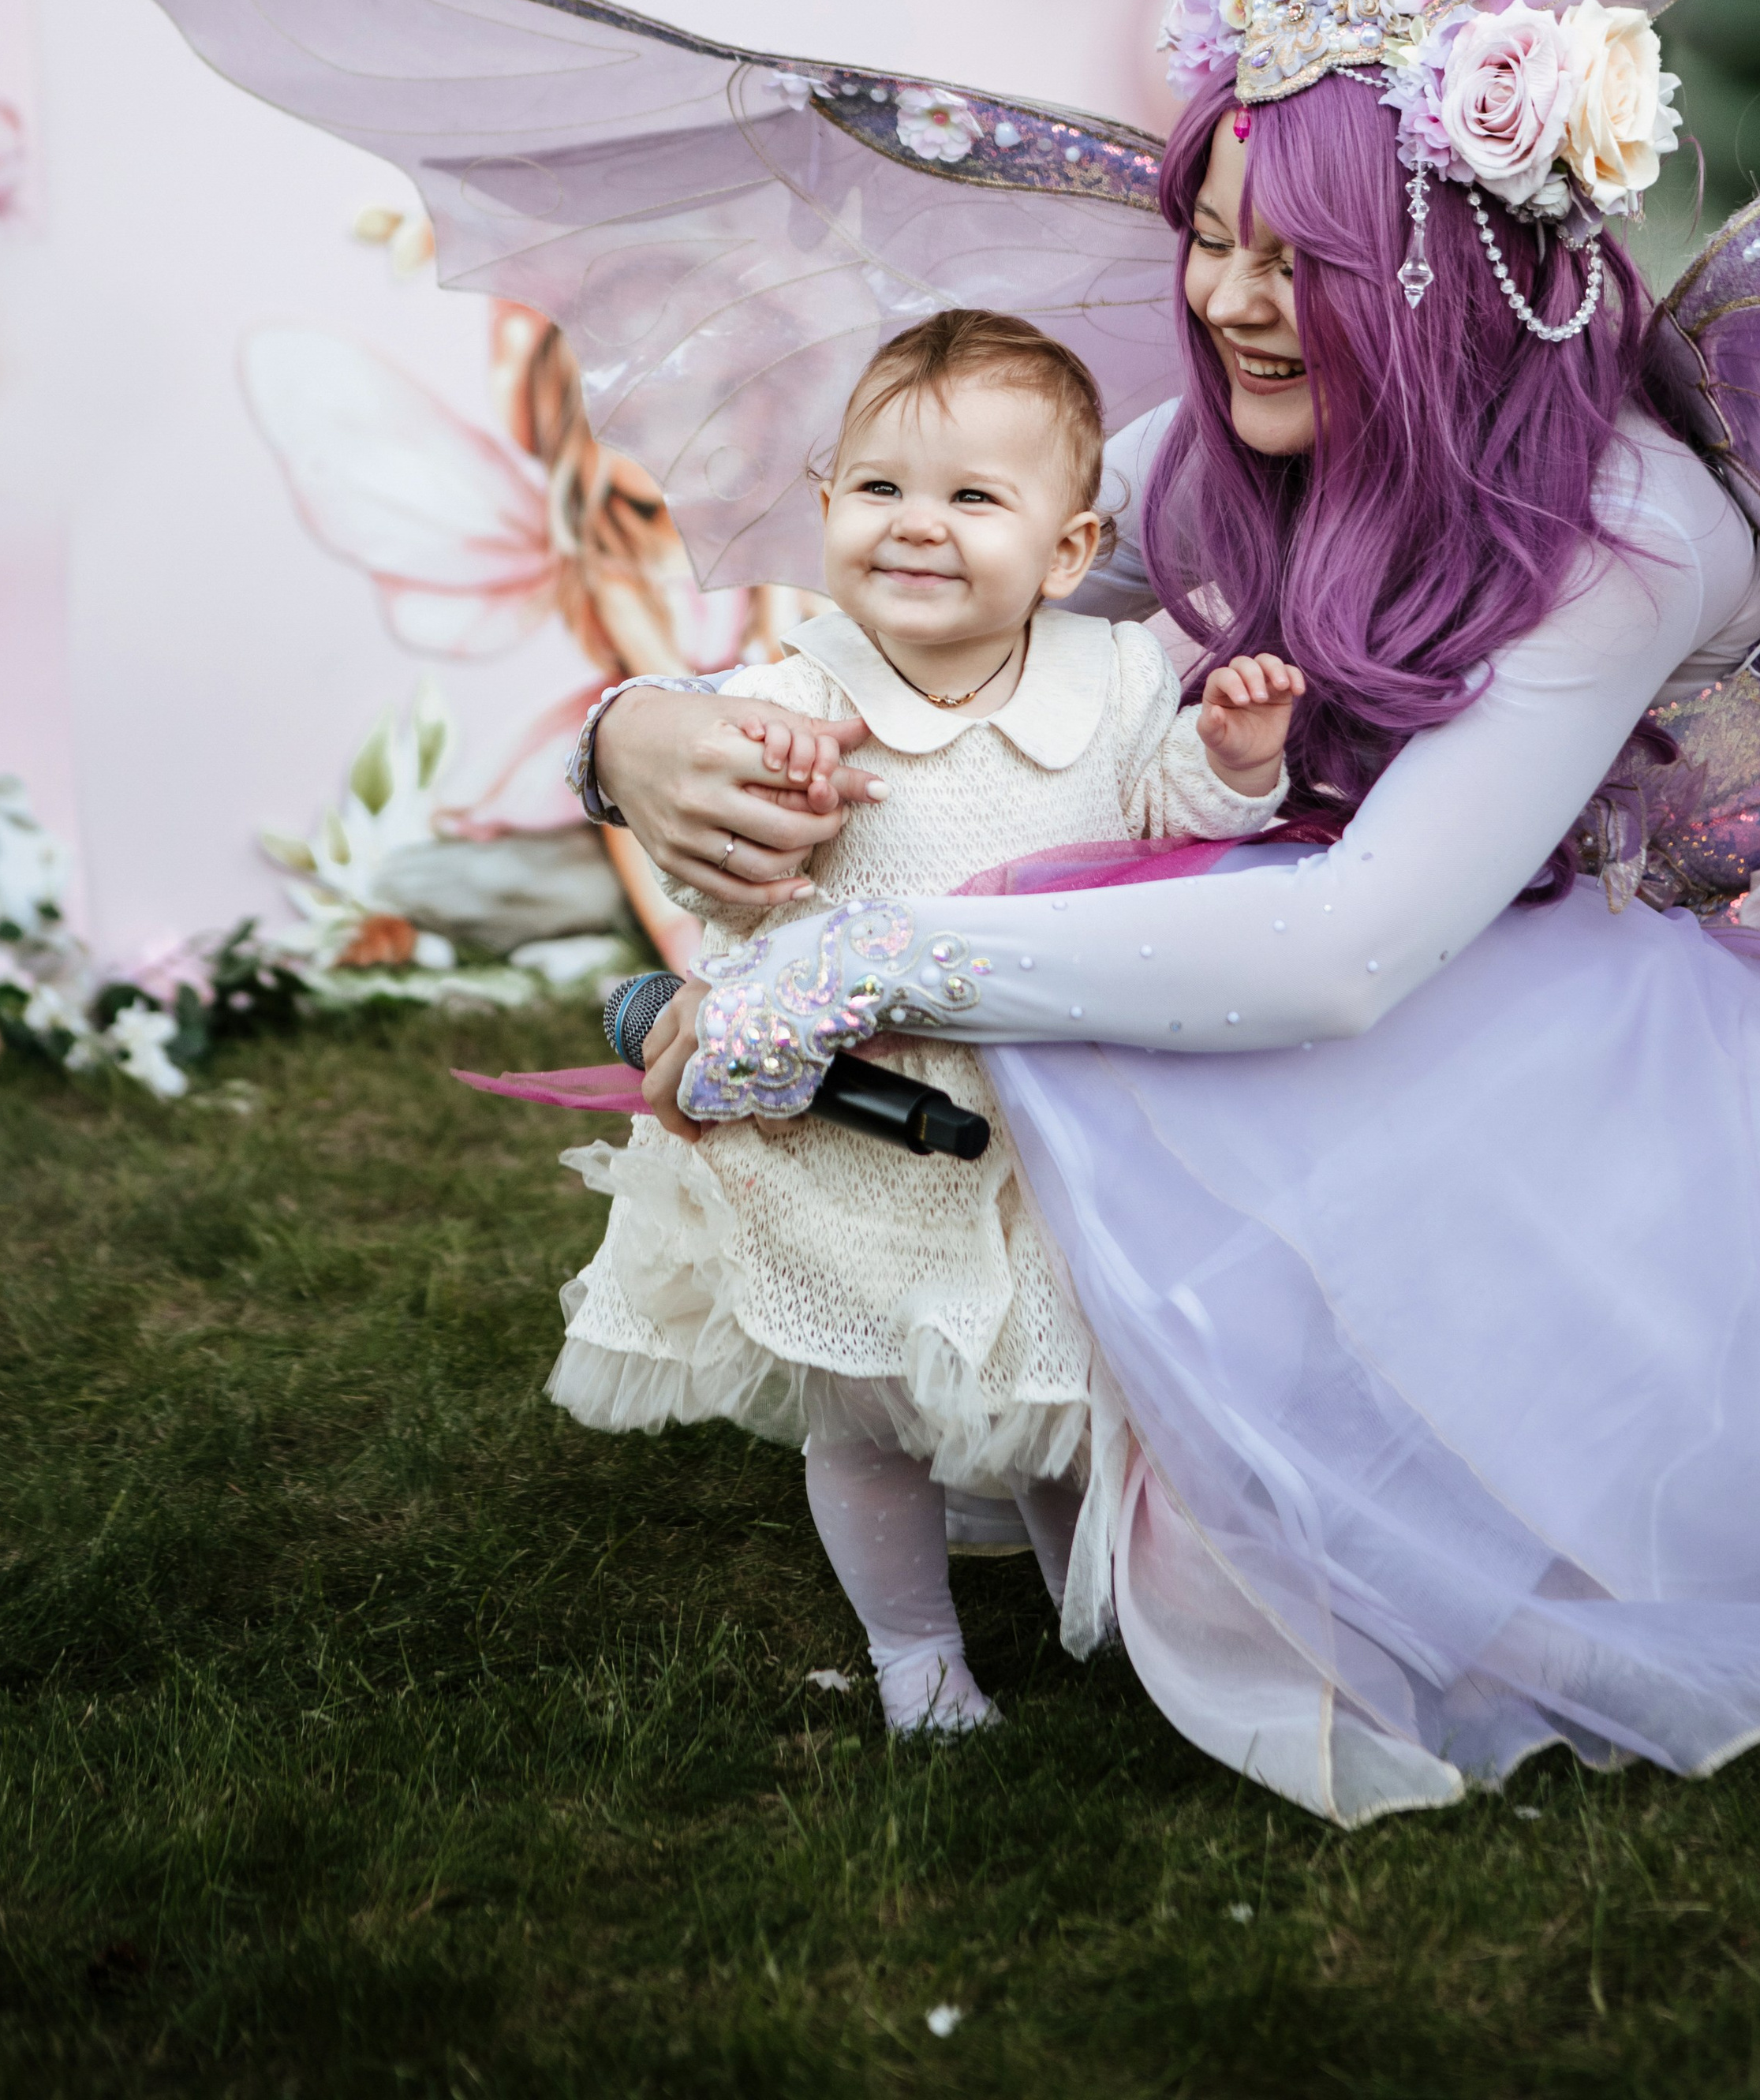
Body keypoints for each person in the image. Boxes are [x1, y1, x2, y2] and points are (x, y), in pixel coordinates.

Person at [574, 0, 1760, 1825]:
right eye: (1213, 237)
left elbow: (1352, 954)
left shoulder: (1622, 527)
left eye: (1300, 262)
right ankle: (1056, 1409)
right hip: (1456, 970)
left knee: (1171, 977)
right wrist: (642, 729)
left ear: (1452, 279)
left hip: (1722, 1054)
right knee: (1118, 929)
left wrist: (868, 965)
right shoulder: (1225, 452)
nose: (1231, 302)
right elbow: (938, 602)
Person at [548, 305, 1299, 1735]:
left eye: (972, 498)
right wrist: (761, 783)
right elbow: (725, 862)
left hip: (1044, 1124)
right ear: (827, 509)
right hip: (849, 1132)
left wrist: (1231, 764)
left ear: (1070, 552)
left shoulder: (1123, 680)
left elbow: (1165, 829)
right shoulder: (789, 695)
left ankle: (1114, 1617)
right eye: (881, 490)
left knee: (1064, 1394)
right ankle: (913, 1650)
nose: (917, 527)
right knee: (872, 1412)